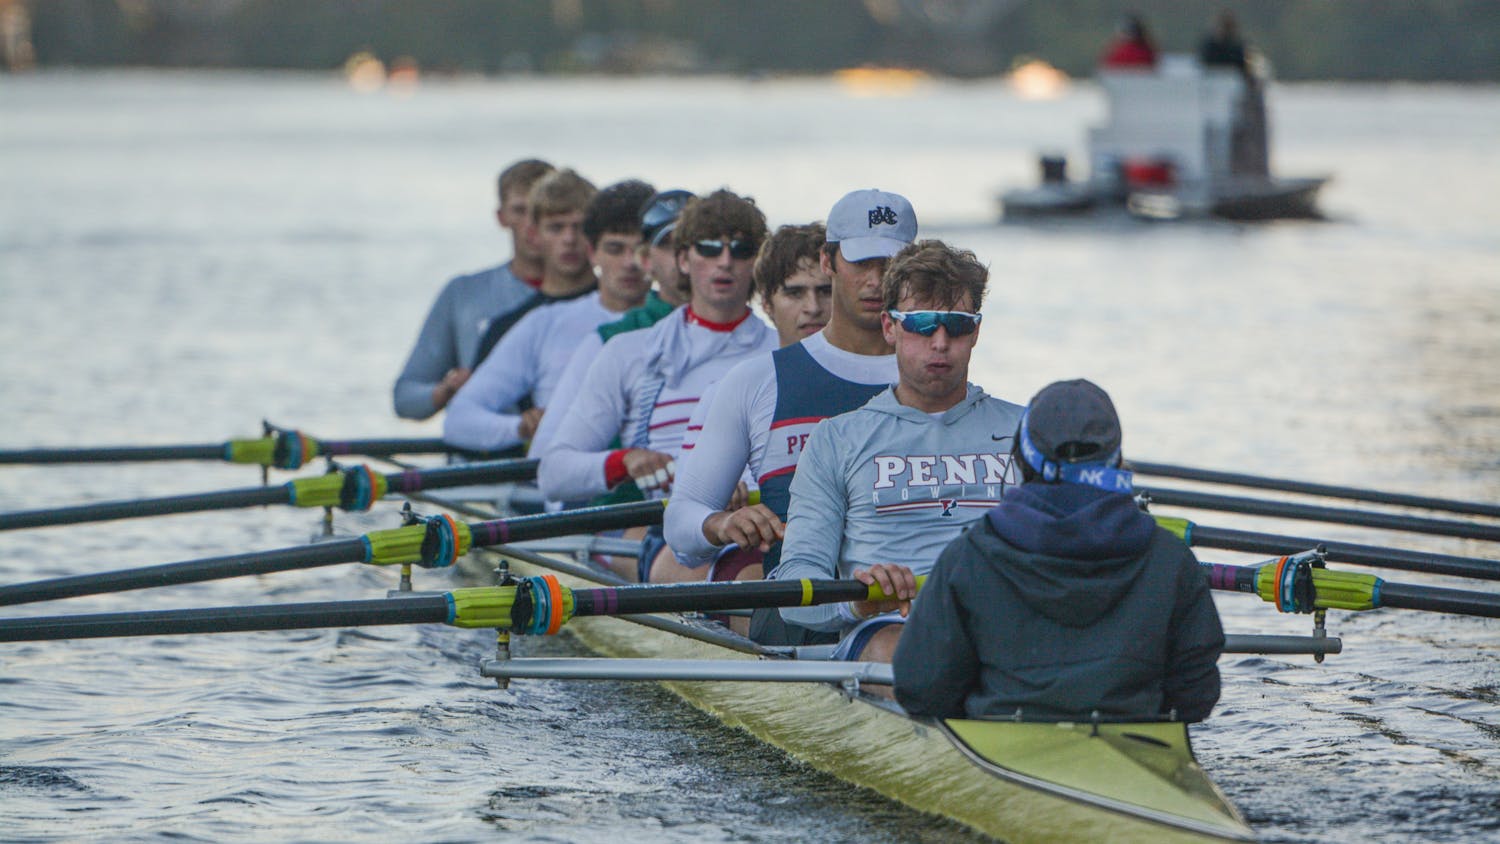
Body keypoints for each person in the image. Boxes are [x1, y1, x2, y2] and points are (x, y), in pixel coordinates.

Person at [892, 379, 1224, 722]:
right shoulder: (1171, 559)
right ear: (1117, 460)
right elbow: (1196, 697)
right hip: (1134, 745)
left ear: (1021, 459)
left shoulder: (969, 557)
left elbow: (921, 690)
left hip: (1000, 744)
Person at [665, 190, 917, 641]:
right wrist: (721, 523)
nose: (877, 281)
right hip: (799, 617)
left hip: (911, 605)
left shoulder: (936, 371)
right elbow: (681, 527)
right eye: (862, 263)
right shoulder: (756, 381)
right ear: (828, 261)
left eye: (891, 264)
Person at [773, 239, 1024, 662]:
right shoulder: (837, 439)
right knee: (916, 650)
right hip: (893, 628)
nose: (940, 342)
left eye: (957, 325)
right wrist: (859, 602)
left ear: (976, 331)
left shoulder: (1027, 431)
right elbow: (794, 584)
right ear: (890, 328)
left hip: (1007, 624)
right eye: (923, 324)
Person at [536, 189, 777, 582]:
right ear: (684, 260)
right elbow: (554, 472)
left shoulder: (780, 351)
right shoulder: (630, 352)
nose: (725, 262)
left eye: (742, 250)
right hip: (655, 524)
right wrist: (625, 461)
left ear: (759, 262)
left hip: (758, 522)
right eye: (710, 248)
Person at [442, 180, 655, 453]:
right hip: (563, 482)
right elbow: (459, 420)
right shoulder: (544, 323)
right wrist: (521, 426)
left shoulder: (682, 321)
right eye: (615, 249)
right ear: (592, 253)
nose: (630, 264)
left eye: (640, 251)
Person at [529, 189, 695, 462]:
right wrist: (620, 464)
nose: (682, 258)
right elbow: (546, 459)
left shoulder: (761, 341)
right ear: (647, 260)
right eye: (667, 245)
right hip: (630, 500)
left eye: (694, 245)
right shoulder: (609, 341)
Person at [393, 158, 553, 420]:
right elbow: (405, 399)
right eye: (520, 211)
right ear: (501, 218)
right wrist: (445, 391)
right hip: (484, 451)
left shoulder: (599, 297)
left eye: (541, 212)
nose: (531, 225)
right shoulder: (462, 294)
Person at [470, 168, 601, 366]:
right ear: (533, 235)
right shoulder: (505, 329)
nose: (569, 239)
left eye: (580, 227)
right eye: (556, 228)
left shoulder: (637, 312)